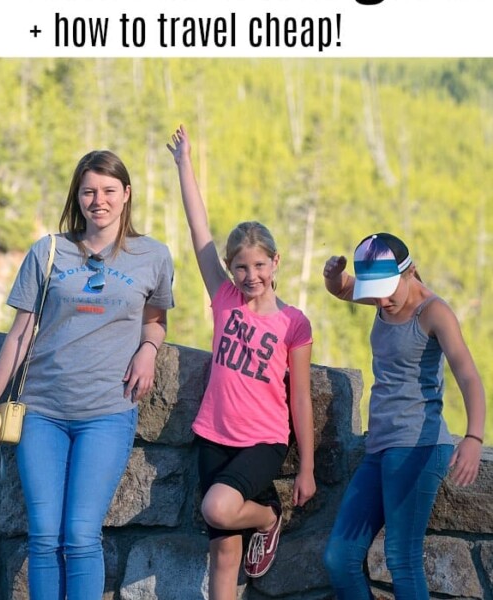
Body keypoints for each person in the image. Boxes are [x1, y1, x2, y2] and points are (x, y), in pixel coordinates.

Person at [0, 149, 174, 600]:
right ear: (77, 196)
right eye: (89, 191)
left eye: (108, 191)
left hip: (107, 412)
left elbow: (156, 319)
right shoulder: (48, 251)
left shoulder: (153, 256)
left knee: (81, 536)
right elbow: (19, 335)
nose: (98, 200)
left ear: (126, 195)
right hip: (41, 412)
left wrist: (148, 348)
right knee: (44, 538)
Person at [167, 124, 316, 599]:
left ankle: (268, 516)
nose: (250, 276)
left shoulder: (294, 323)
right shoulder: (224, 298)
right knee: (224, 555)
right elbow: (200, 231)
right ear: (231, 270)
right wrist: (184, 162)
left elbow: (302, 399)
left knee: (216, 508)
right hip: (214, 434)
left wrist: (307, 467)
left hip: (263, 441)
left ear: (276, 263)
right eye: (241, 267)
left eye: (259, 265)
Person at [322, 232, 486, 600]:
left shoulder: (434, 313)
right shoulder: (383, 296)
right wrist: (333, 275)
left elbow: (469, 376)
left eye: (387, 288)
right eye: (375, 290)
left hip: (418, 445)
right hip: (380, 446)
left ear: (409, 272)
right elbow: (344, 288)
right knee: (339, 558)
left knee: (401, 557)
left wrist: (474, 438)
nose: (381, 299)